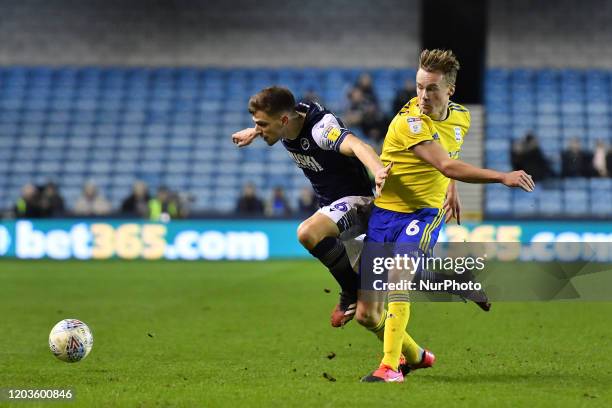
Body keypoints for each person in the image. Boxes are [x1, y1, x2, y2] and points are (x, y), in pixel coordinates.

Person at [359, 49, 535, 383]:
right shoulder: (408, 123)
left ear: (449, 91)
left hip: (424, 213)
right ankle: (421, 352)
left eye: (432, 89)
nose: (423, 95)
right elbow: (445, 163)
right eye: (419, 87)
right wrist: (501, 176)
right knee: (368, 315)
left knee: (399, 276)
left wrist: (450, 187)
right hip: (386, 213)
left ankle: (389, 367)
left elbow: (448, 159)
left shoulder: (462, 118)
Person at [231, 86, 389, 327]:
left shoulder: (321, 130)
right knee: (367, 316)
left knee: (307, 232)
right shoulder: (290, 118)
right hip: (333, 206)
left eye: (262, 124)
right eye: (257, 123)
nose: (260, 129)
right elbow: (281, 114)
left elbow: (358, 146)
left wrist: (378, 172)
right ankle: (412, 355)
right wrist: (255, 132)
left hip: (358, 202)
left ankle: (350, 290)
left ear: (283, 120)